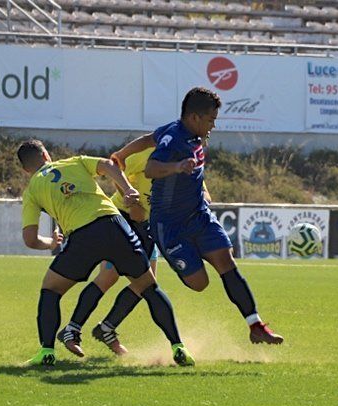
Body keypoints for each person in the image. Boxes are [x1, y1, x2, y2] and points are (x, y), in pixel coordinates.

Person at [107, 86, 284, 345]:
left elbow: (149, 138)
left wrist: (122, 154)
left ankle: (255, 325)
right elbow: (151, 168)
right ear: (194, 118)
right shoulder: (175, 139)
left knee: (227, 261)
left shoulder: (181, 132)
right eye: (211, 120)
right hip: (169, 225)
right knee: (199, 283)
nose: (213, 126)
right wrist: (177, 166)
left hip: (198, 215)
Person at [16, 139, 194, 367]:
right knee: (149, 287)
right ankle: (178, 346)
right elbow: (110, 165)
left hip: (82, 237)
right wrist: (128, 189)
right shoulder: (74, 162)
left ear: (25, 169)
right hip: (115, 225)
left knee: (51, 289)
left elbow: (30, 239)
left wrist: (50, 243)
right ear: (46, 155)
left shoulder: (32, 191)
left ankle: (47, 351)